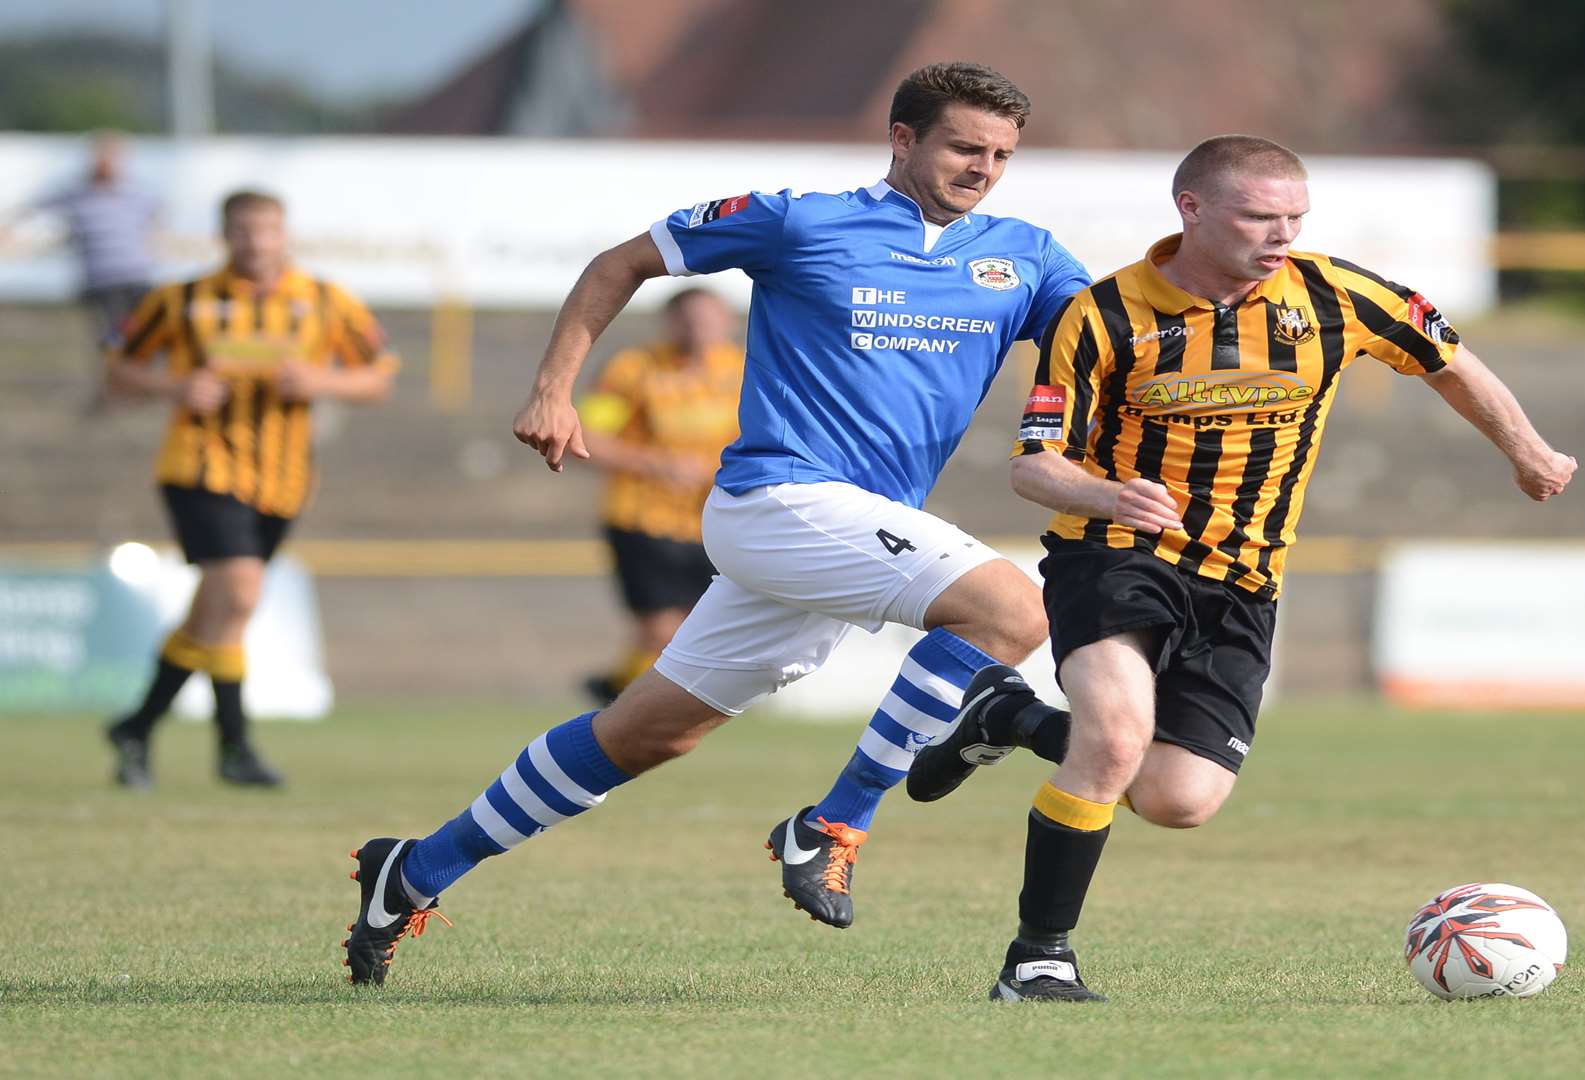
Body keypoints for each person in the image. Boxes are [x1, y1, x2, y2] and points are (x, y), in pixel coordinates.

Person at [337, 61, 1091, 986]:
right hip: (777, 500)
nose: (984, 168)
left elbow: (1108, 343)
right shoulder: (798, 219)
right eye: (965, 146)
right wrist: (552, 389)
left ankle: (411, 872)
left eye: (1002, 154)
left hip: (858, 527)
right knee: (1010, 611)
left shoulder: (1027, 254)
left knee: (647, 736)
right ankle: (835, 824)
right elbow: (622, 263)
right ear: (903, 138)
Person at [904, 135, 1579, 1002]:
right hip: (1115, 555)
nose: (1281, 235)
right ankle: (1038, 958)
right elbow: (1035, 464)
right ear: (1192, 209)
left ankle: (1010, 718)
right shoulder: (1104, 314)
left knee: (1178, 799)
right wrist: (1110, 496)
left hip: (1246, 577)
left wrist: (1528, 451)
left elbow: (1449, 361)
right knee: (1113, 739)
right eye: (1260, 216)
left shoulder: (1335, 293)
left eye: (1295, 217)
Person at [103, 190, 399, 790]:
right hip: (201, 466)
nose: (255, 241)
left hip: (283, 479)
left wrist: (321, 380)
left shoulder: (323, 299)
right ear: (225, 235)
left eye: (266, 230)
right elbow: (117, 363)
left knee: (217, 609)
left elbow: (380, 374)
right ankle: (234, 744)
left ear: (284, 234)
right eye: (243, 230)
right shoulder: (181, 298)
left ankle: (139, 726)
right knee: (237, 595)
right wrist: (176, 387)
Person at [577, 286, 744, 704]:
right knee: (662, 630)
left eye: (709, 319)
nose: (699, 328)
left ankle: (616, 689)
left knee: (696, 631)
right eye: (689, 319)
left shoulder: (745, 371)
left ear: (729, 322)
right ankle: (626, 709)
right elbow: (587, 438)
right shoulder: (634, 370)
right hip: (643, 518)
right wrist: (654, 463)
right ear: (669, 322)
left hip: (714, 520)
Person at [1, 133, 159, 363]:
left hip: (136, 275)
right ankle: (118, 380)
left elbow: (154, 222)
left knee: (146, 332)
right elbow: (34, 207)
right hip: (102, 280)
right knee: (112, 339)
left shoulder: (136, 193)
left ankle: (139, 378)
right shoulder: (77, 193)